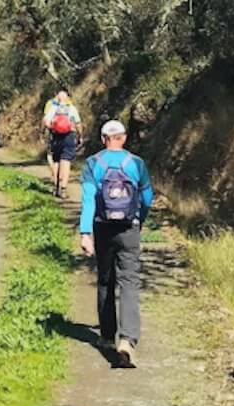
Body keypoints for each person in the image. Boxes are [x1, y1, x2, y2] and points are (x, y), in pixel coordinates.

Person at [79, 121, 154, 368]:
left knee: (105, 280)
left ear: (103, 139)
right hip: (128, 228)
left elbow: (89, 199)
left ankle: (107, 336)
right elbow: (147, 197)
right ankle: (128, 341)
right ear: (123, 138)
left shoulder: (93, 163)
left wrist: (85, 232)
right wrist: (139, 220)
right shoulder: (137, 163)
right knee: (129, 282)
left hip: (102, 227)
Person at [42, 89, 82, 198]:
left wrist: (52, 129)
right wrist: (80, 136)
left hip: (56, 137)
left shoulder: (53, 108)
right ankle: (63, 189)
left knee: (56, 161)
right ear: (68, 98)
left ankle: (56, 187)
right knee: (66, 161)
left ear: (57, 98)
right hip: (69, 136)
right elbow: (78, 123)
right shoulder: (72, 108)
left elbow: (46, 122)